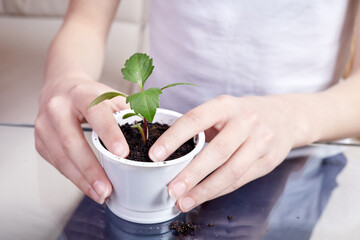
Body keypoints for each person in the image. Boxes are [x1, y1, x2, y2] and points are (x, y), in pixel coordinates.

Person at [35, 0, 360, 213]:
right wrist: (64, 80)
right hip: (155, 155)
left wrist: (291, 118)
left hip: (298, 157)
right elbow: (85, 21)